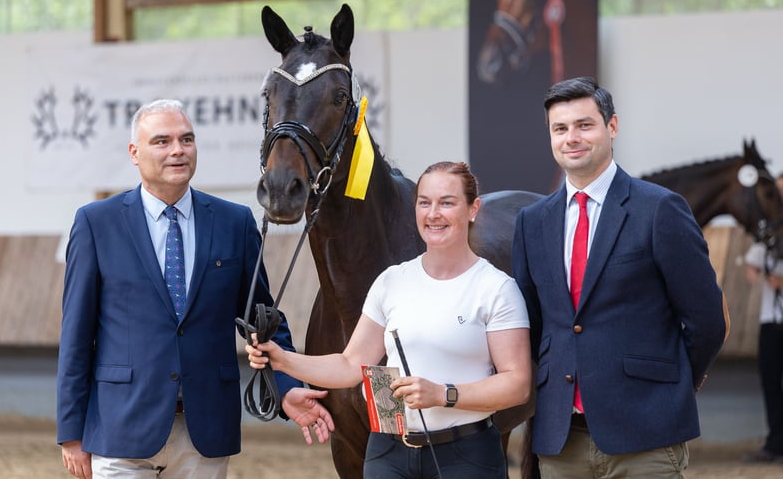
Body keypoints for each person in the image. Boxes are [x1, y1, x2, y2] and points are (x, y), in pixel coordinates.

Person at [56, 99, 333, 479]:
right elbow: (76, 334)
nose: (178, 150)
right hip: (120, 427)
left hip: (205, 429)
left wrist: (286, 387)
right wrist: (71, 432)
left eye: (186, 139)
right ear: (134, 153)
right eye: (162, 141)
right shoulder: (95, 223)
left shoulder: (234, 222)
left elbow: (262, 318)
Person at [247, 161, 533, 478]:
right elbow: (350, 364)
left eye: (447, 203)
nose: (433, 214)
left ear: (473, 209)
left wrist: (443, 394)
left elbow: (517, 385)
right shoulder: (390, 281)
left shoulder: (497, 288)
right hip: (389, 455)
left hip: (465, 454)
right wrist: (283, 360)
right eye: (424, 203)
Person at [511, 77, 726, 477]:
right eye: (560, 128)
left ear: (612, 127)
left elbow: (707, 319)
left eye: (584, 125)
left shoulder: (660, 208)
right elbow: (533, 325)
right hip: (562, 441)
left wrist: (674, 382)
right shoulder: (532, 222)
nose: (572, 138)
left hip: (646, 434)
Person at [743, 172, 783, 463]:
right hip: (771, 320)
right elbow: (751, 265)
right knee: (770, 382)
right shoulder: (769, 233)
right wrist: (760, 276)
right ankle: (776, 441)